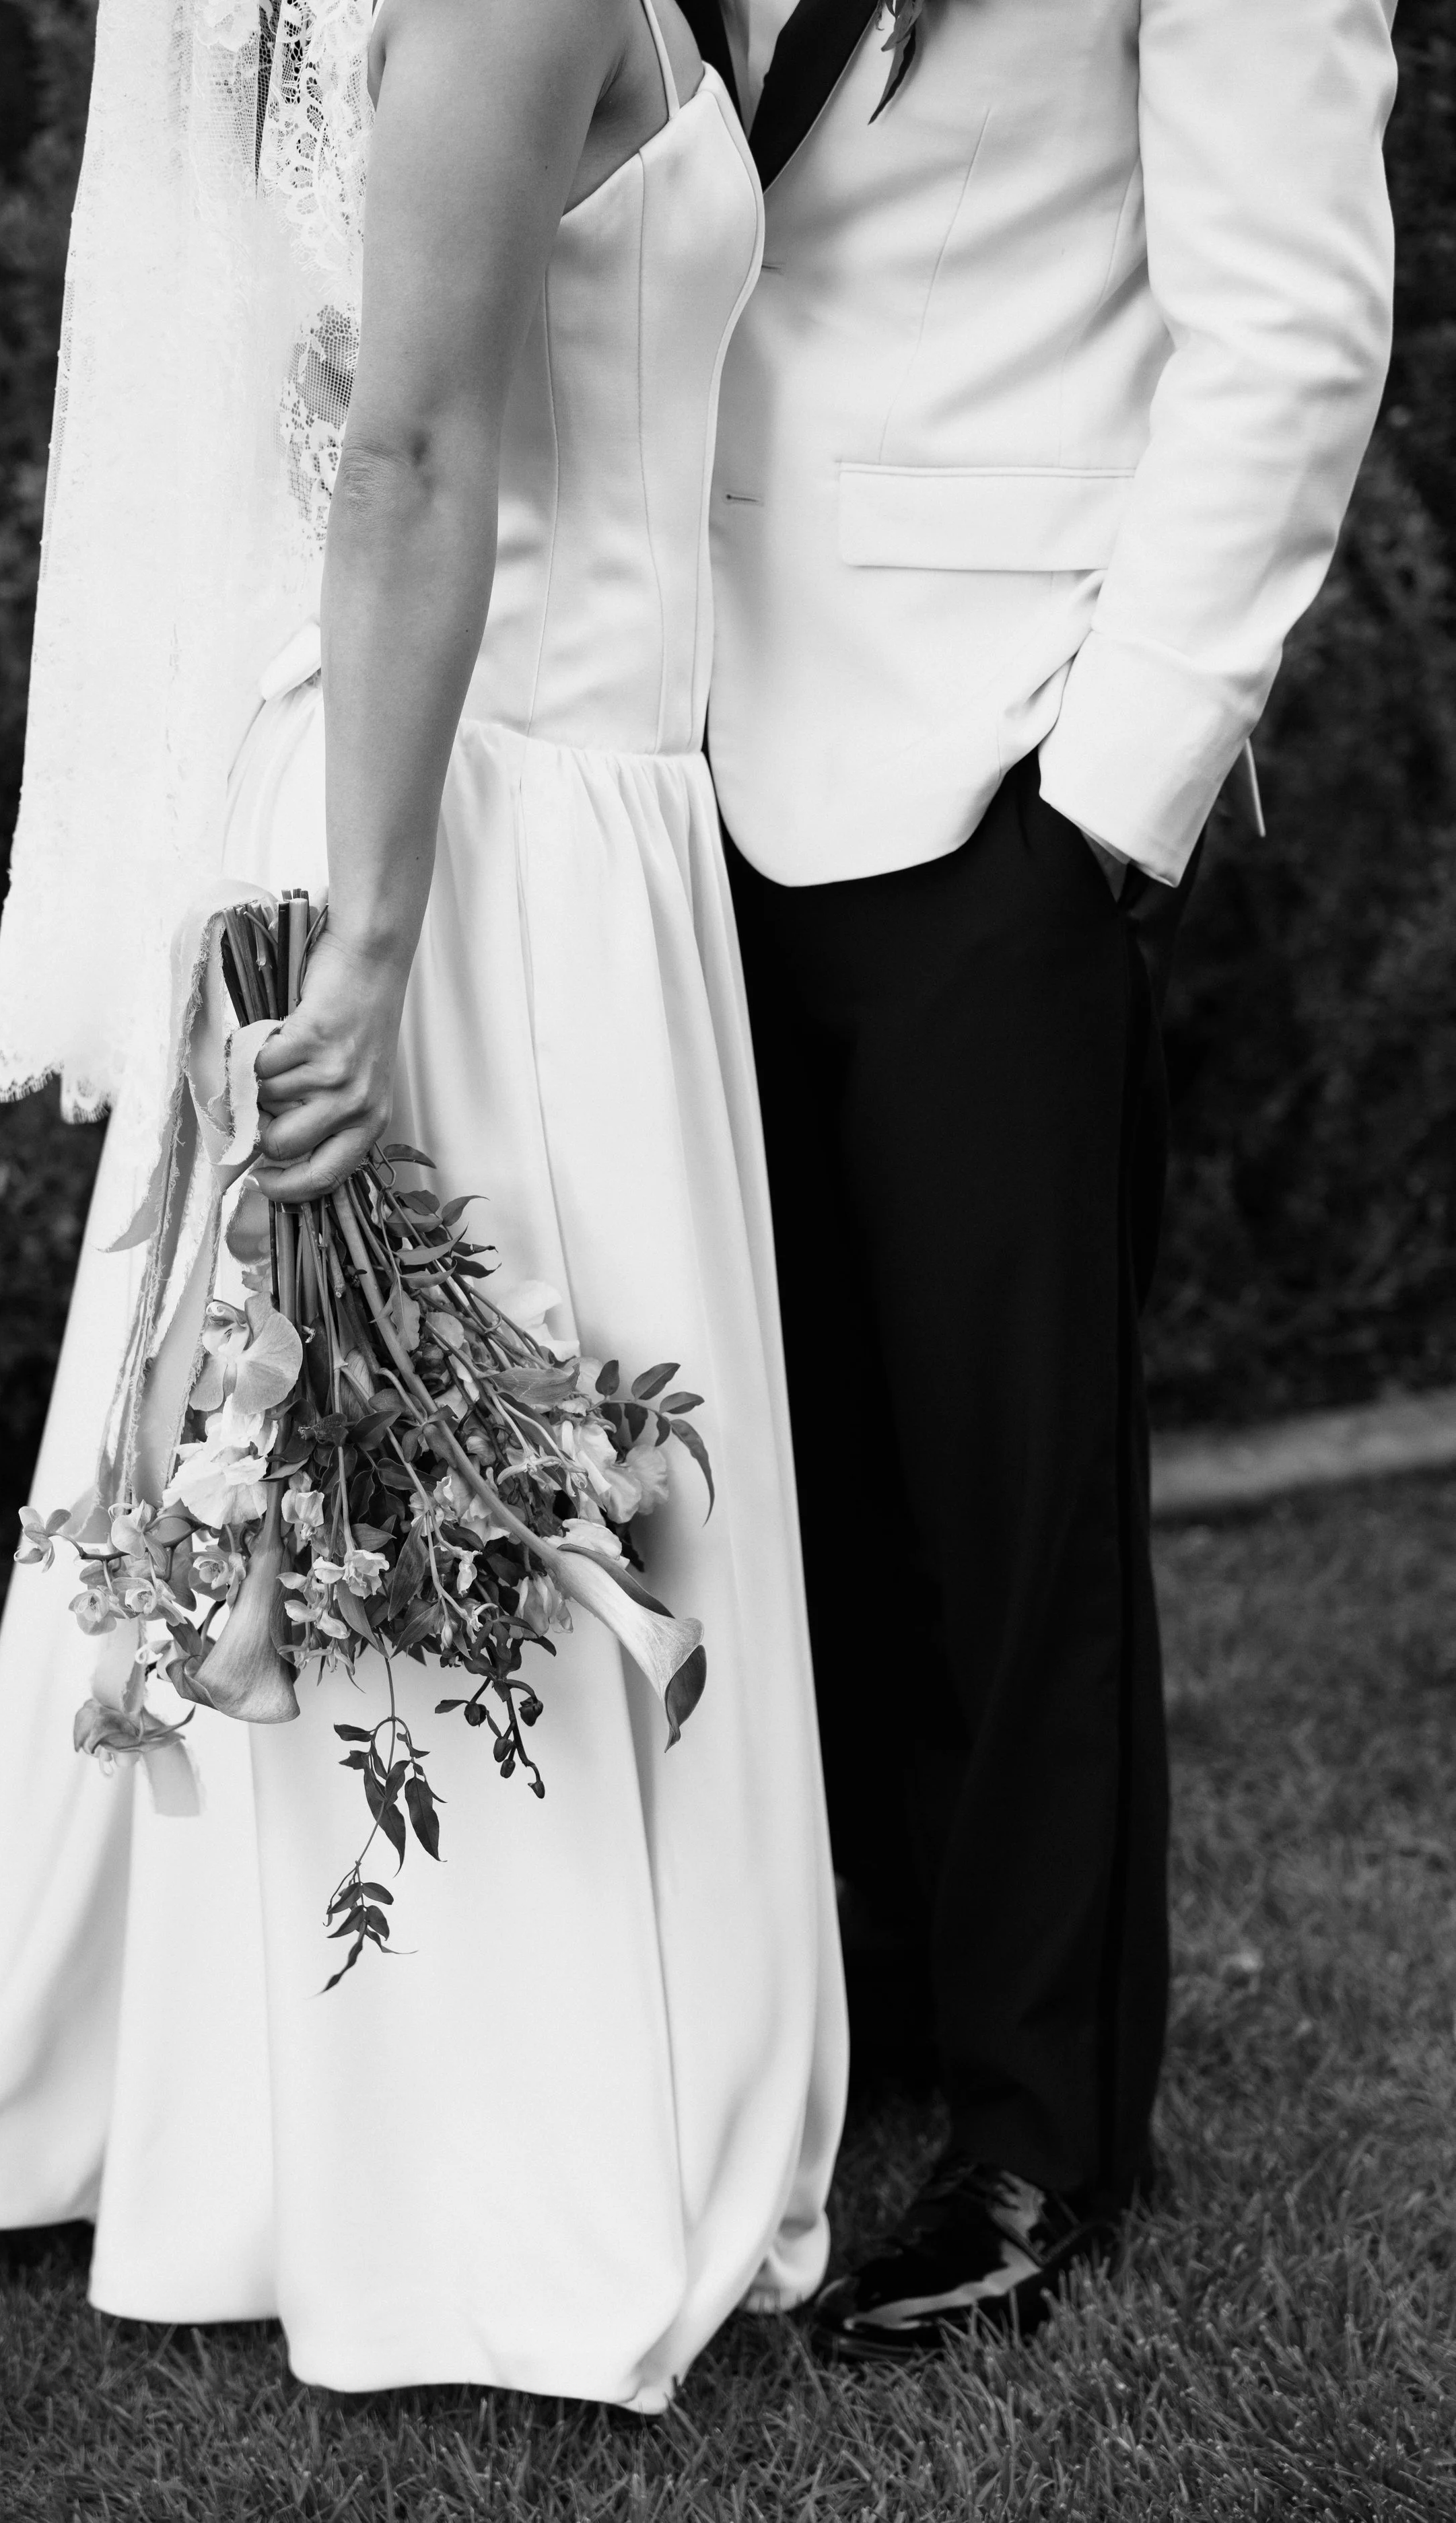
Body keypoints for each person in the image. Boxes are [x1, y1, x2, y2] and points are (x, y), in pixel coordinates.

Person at [0, 0, 847, 2411]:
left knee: (331, 1445)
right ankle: (466, 2165)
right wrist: (383, 934)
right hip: (485, 826)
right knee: (406, 1441)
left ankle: (186, 2109)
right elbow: (402, 453)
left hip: (548, 788)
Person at [672, 0, 1397, 2357]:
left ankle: (1035, 2128)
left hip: (1001, 753)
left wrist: (1112, 791)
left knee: (1010, 1496)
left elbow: (1286, 306)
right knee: (770, 1474)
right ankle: (833, 2013)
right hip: (656, 741)